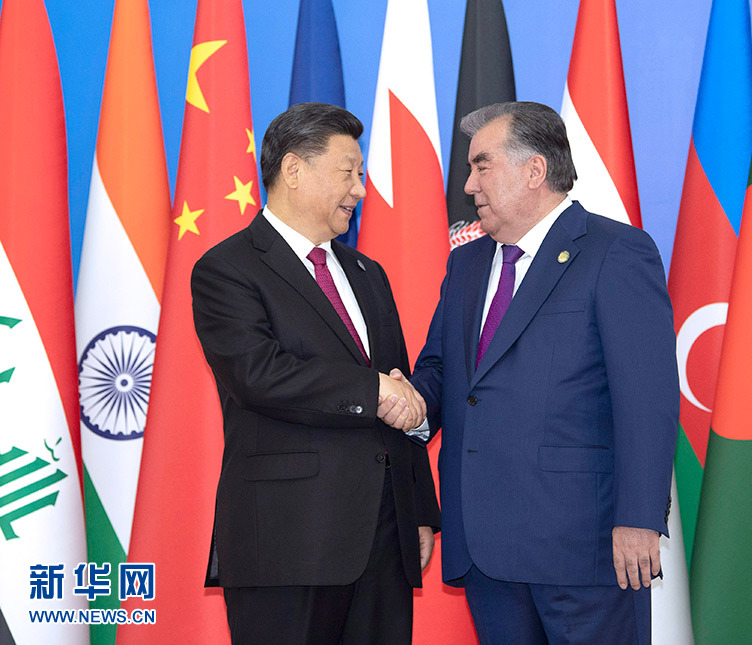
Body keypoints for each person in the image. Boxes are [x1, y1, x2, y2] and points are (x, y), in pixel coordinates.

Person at [409, 101, 678, 643]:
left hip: (584, 548)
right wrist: (402, 401)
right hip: (484, 547)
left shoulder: (615, 252)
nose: (468, 185)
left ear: (535, 170)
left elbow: (646, 399)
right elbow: (440, 371)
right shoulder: (465, 264)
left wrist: (639, 518)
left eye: (482, 166)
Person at [191, 102, 440, 644]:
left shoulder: (367, 273)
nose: (360, 190)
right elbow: (258, 373)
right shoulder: (227, 268)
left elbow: (397, 386)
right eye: (348, 172)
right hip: (288, 539)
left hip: (384, 538)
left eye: (361, 174)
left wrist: (418, 509)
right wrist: (371, 389)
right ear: (294, 170)